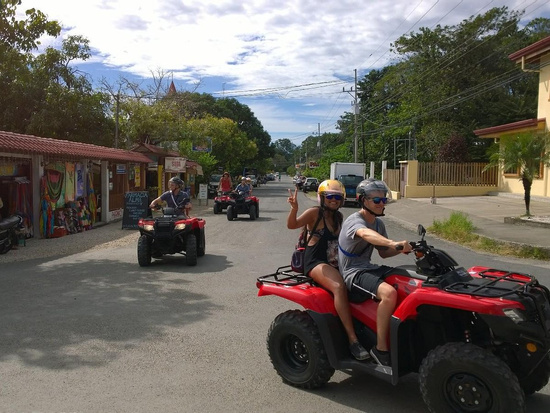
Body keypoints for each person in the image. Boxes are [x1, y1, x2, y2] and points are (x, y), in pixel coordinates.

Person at [287, 180, 369, 361]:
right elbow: (292, 225)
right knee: (339, 286)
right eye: (330, 196)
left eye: (337, 197)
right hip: (315, 262)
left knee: (361, 283)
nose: (333, 200)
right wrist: (294, 208)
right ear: (322, 198)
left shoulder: (339, 217)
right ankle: (353, 340)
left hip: (334, 262)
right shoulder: (314, 213)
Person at [338, 178, 412, 368]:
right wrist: (391, 242)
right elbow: (366, 235)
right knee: (389, 293)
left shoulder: (378, 224)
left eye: (384, 200)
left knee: (408, 280)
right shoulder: (355, 221)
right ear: (363, 200)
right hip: (352, 273)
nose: (382, 204)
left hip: (368, 267)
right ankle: (380, 348)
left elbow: (384, 253)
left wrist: (404, 247)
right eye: (377, 200)